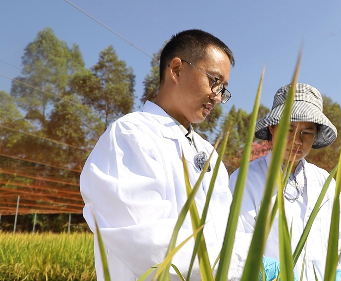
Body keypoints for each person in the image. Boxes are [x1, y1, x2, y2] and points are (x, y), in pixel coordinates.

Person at [81, 29, 254, 280]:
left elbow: (227, 231)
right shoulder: (131, 135)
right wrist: (238, 266)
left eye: (223, 89)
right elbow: (147, 240)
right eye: (214, 81)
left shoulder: (208, 153)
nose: (217, 97)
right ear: (176, 69)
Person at [229, 83, 341, 281]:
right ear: (272, 128)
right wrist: (266, 271)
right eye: (289, 129)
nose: (297, 140)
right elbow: (234, 241)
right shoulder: (245, 179)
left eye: (307, 132)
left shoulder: (325, 182)